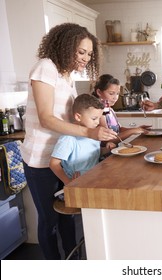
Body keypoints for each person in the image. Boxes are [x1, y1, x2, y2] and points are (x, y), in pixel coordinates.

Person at [20, 23, 117, 260]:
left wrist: (100, 130)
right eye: (81, 52)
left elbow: (74, 117)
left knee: (67, 216)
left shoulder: (66, 76)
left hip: (63, 158)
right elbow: (46, 119)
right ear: (65, 46)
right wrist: (89, 134)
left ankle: (73, 262)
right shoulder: (45, 68)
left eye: (89, 54)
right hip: (41, 160)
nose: (85, 58)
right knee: (49, 220)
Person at [49, 94, 116, 187]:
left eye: (99, 118)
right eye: (94, 118)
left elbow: (93, 153)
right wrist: (67, 181)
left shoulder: (94, 134)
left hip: (94, 178)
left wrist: (107, 149)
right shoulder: (68, 139)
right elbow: (53, 163)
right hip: (78, 184)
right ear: (78, 117)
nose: (97, 122)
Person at [92, 74, 151, 142]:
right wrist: (132, 131)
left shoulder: (110, 110)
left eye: (117, 94)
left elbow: (119, 129)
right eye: (111, 93)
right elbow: (108, 140)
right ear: (99, 92)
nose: (115, 98)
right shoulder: (99, 112)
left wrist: (138, 129)